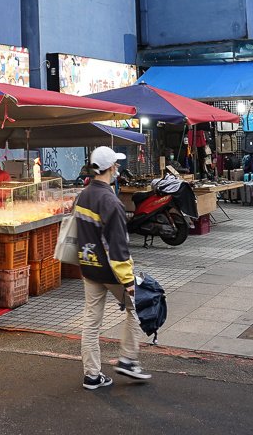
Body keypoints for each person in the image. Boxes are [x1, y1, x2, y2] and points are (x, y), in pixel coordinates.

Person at [76, 146, 150, 390]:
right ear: (109, 168)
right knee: (138, 308)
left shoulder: (84, 195)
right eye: (116, 164)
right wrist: (128, 282)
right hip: (111, 272)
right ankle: (128, 359)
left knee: (91, 322)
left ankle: (92, 375)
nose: (118, 167)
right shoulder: (111, 202)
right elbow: (117, 248)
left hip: (89, 268)